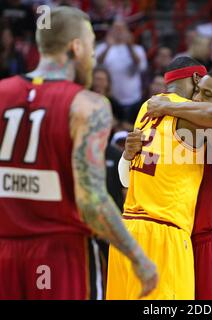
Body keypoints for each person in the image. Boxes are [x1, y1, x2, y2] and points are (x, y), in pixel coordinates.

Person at [0, 6, 157, 300]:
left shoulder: (2, 92)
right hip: (59, 254)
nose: (94, 57)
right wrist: (138, 257)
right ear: (76, 47)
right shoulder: (88, 105)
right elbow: (92, 201)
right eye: (92, 49)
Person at [118, 69, 212, 300]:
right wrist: (128, 154)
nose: (197, 99)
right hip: (181, 237)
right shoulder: (180, 127)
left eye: (207, 95)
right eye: (197, 91)